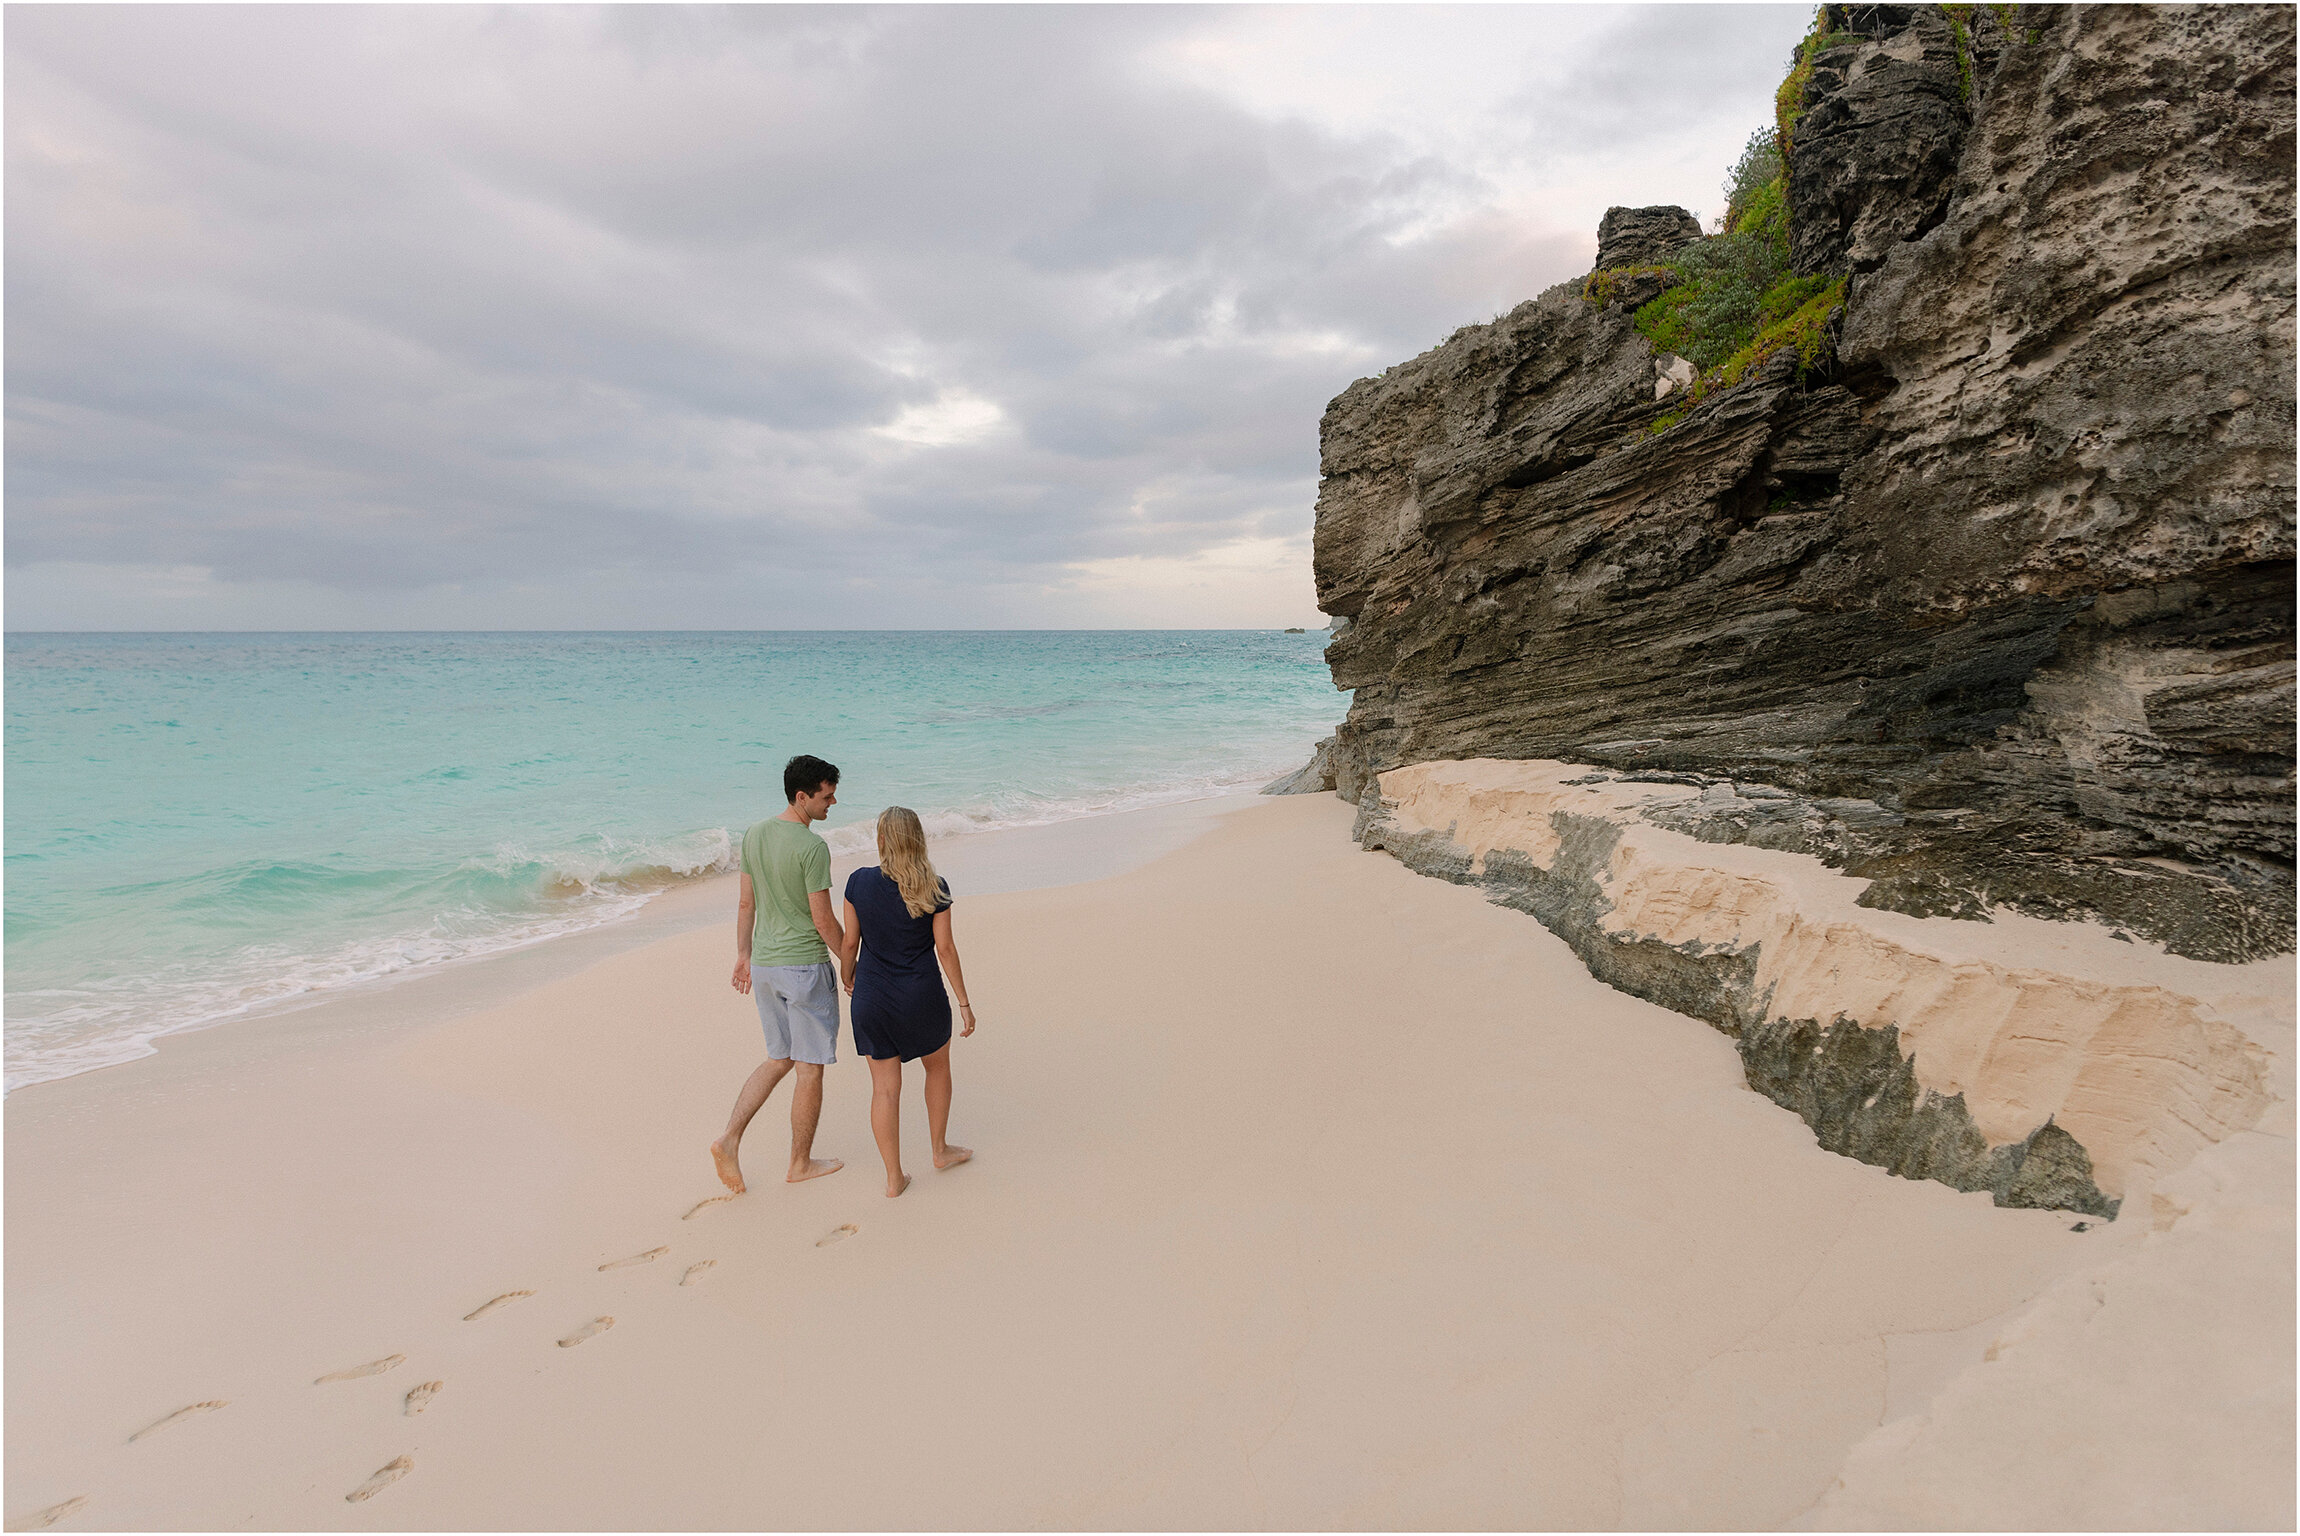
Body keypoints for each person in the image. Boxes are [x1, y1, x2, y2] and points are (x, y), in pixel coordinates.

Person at [710, 753, 848, 1195]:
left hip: (766, 966)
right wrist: (851, 961)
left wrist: (743, 954)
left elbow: (746, 902)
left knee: (779, 1058)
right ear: (801, 796)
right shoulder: (812, 848)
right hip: (804, 967)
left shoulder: (753, 835)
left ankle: (729, 1138)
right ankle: (800, 1163)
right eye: (826, 797)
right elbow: (823, 920)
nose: (832, 803)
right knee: (809, 1069)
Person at [838, 806, 975, 1198]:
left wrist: (848, 975)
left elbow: (851, 942)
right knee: (937, 1070)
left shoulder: (857, 883)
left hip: (872, 999)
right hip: (922, 996)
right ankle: (939, 1150)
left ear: (881, 840)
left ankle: (894, 1178)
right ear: (918, 840)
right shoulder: (935, 887)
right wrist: (964, 1001)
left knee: (884, 1090)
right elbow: (945, 948)